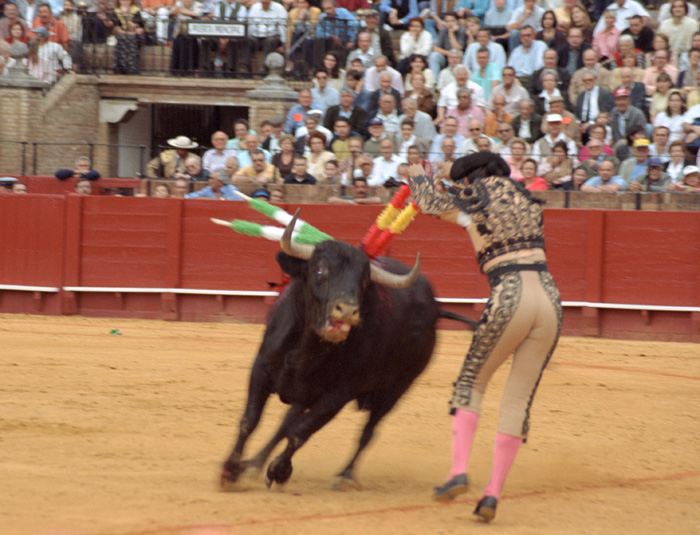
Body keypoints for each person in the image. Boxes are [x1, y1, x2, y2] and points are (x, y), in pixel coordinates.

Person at [408, 153, 561, 523]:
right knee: (517, 400)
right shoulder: (525, 198)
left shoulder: (474, 198)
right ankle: (492, 493)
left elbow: (428, 202)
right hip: (550, 299)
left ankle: (458, 470)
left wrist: (417, 175)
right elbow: (467, 217)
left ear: (470, 180)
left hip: (511, 294)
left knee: (471, 383)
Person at [109, 0, 145, 75]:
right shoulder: (116, 12)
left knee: (131, 39)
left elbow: (135, 27)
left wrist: (127, 15)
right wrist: (128, 33)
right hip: (123, 34)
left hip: (135, 35)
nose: (124, 2)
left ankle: (132, 67)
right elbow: (117, 29)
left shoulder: (135, 11)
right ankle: (121, 67)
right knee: (123, 38)